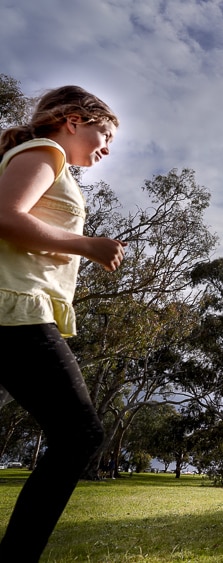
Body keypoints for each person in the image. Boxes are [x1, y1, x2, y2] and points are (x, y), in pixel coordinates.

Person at [0, 85, 124, 561]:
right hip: (16, 309)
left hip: (18, 307)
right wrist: (87, 244)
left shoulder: (43, 156)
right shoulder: (46, 150)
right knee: (81, 435)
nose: (106, 148)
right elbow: (6, 216)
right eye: (104, 133)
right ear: (74, 119)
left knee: (76, 435)